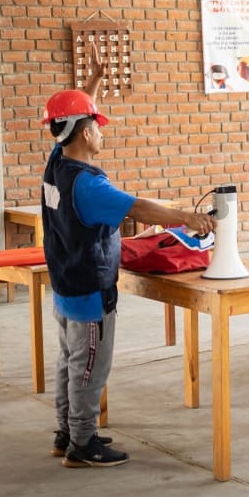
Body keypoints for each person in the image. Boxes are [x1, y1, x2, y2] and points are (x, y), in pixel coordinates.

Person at [41, 45, 216, 468]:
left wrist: (94, 81)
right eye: (98, 128)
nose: (102, 133)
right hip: (89, 290)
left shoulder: (55, 164)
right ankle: (83, 445)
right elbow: (138, 208)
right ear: (85, 134)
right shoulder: (89, 186)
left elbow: (73, 117)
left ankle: (67, 433)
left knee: (70, 363)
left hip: (65, 284)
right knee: (89, 371)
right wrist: (186, 217)